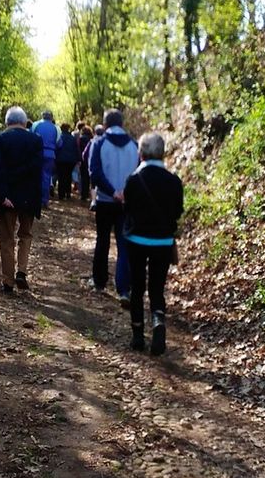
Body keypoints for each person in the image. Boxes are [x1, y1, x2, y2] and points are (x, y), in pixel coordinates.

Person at [123, 132, 184, 355]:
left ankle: (138, 336)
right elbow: (177, 212)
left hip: (136, 240)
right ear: (163, 152)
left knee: (137, 287)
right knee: (157, 288)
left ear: (141, 153)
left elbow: (127, 209)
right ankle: (158, 324)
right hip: (163, 241)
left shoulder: (133, 180)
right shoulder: (174, 181)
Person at [0, 106, 43, 294]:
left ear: (7, 122)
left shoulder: (0, 139)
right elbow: (37, 171)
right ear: (24, 121)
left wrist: (2, 196)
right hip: (29, 198)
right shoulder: (36, 140)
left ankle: (8, 281)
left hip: (7, 199)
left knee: (7, 239)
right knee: (26, 236)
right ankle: (22, 271)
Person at [88, 109, 139, 307]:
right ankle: (124, 289)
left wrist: (112, 192)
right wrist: (125, 192)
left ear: (106, 124)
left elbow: (95, 173)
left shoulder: (99, 143)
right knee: (124, 244)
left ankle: (100, 281)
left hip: (104, 201)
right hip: (127, 203)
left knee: (102, 240)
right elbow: (138, 173)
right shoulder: (134, 145)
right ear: (122, 123)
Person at [32, 110, 60, 207]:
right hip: (50, 154)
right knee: (47, 177)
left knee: (36, 175)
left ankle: (36, 199)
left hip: (38, 153)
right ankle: (45, 200)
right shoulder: (55, 128)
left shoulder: (36, 125)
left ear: (42, 116)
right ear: (51, 118)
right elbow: (59, 143)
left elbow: (31, 138)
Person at [55, 123, 80, 199]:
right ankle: (68, 193)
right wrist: (78, 159)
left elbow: (57, 148)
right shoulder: (72, 138)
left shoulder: (60, 138)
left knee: (61, 176)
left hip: (60, 160)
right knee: (68, 176)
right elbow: (76, 149)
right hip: (71, 161)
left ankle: (61, 194)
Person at [77, 125, 93, 201]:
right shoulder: (91, 139)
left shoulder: (80, 138)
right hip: (89, 160)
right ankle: (87, 193)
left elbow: (78, 149)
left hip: (82, 160)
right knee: (88, 177)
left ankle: (82, 194)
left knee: (83, 177)